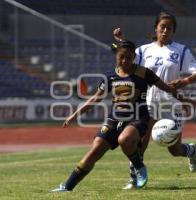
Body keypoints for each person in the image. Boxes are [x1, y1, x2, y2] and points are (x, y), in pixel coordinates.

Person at [51, 40, 181, 192]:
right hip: (114, 119)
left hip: (138, 118)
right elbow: (95, 98)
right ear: (116, 56)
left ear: (134, 57)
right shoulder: (110, 76)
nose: (125, 60)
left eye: (129, 57)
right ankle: (67, 187)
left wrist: (182, 95)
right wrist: (75, 114)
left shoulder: (144, 73)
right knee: (95, 150)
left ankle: (139, 168)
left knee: (124, 139)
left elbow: (166, 87)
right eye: (121, 57)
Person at [113, 11, 196, 189]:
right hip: (148, 103)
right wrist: (121, 39)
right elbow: (129, 57)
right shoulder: (144, 50)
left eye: (169, 28)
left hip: (171, 105)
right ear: (156, 28)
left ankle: (191, 150)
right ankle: (135, 179)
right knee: (141, 144)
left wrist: (184, 81)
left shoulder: (181, 50)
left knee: (174, 150)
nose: (165, 31)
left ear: (173, 31)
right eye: (162, 27)